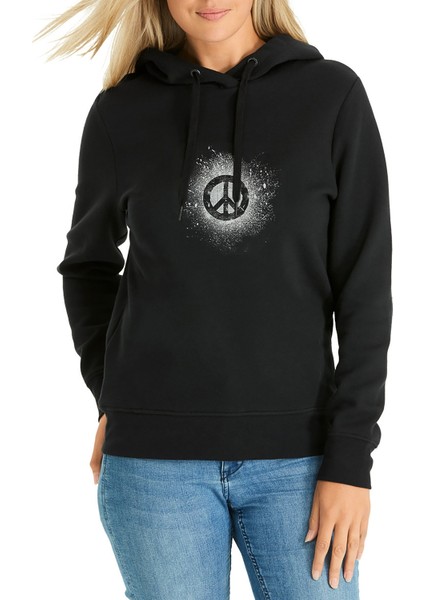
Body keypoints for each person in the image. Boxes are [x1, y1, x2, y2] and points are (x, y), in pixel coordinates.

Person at [35, 0, 393, 598]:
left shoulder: (332, 97)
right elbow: (87, 266)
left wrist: (352, 459)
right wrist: (111, 394)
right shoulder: (121, 112)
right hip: (152, 468)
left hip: (301, 460)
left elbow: (365, 286)